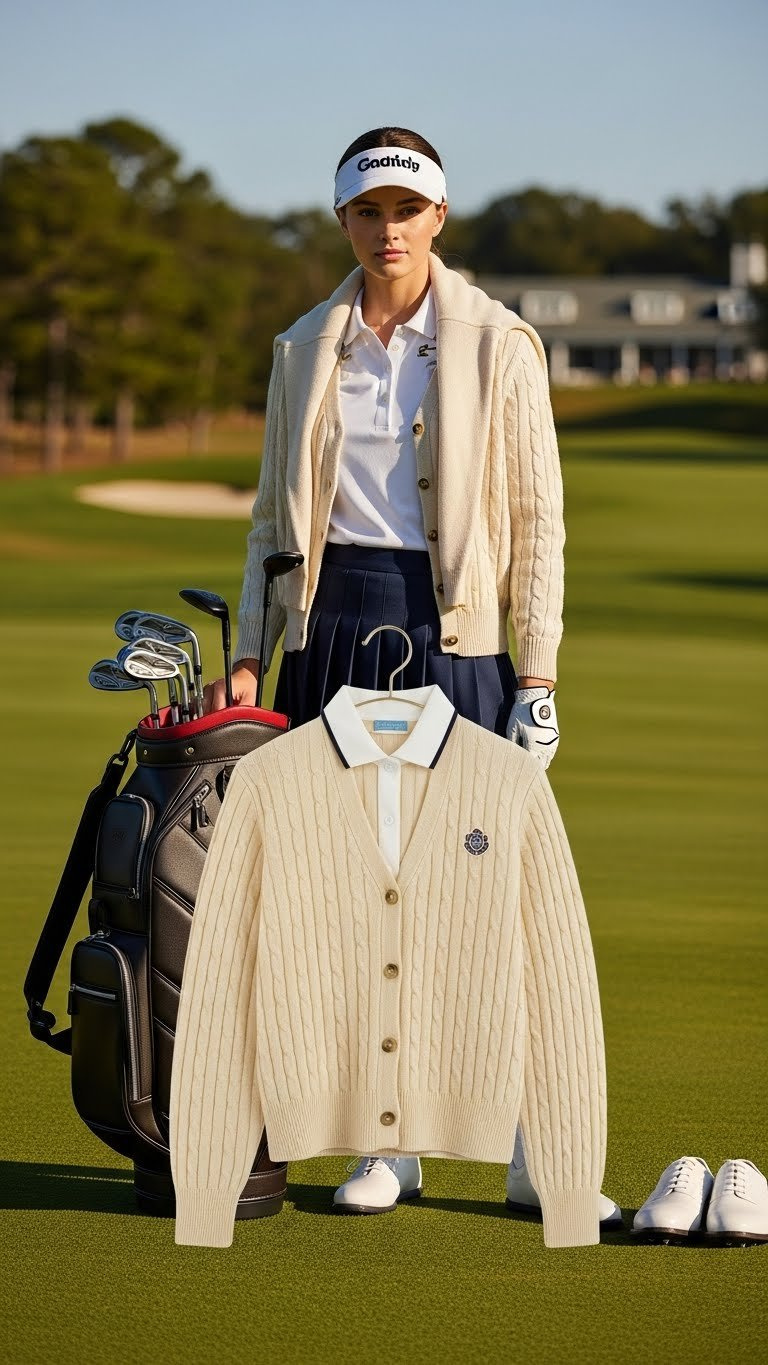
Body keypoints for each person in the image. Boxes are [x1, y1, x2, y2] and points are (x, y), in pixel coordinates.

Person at [203, 126, 620, 1226]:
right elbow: (270, 524)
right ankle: (391, 1146)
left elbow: (539, 521)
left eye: (406, 210)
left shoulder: (500, 342)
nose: (387, 230)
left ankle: (539, 1151)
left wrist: (539, 675)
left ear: (439, 216)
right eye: (367, 211)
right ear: (342, 219)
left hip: (455, 637)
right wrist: (251, 653)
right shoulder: (304, 345)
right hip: (330, 630)